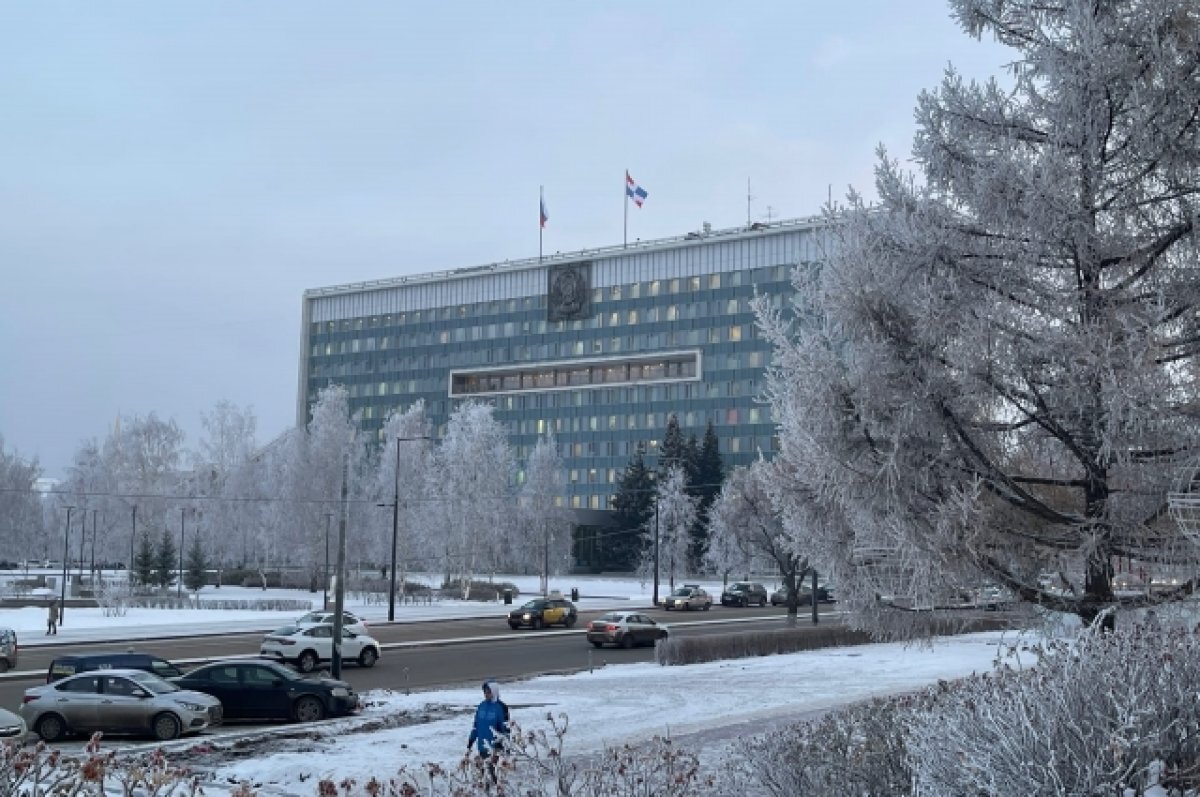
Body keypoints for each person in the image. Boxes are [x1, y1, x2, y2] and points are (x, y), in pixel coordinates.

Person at [467, 680, 510, 784]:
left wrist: (504, 746)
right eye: (485, 692)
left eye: (488, 692)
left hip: (494, 748)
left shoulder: (501, 707)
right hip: (482, 747)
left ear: (494, 692)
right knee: (484, 777)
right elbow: (476, 726)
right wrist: (470, 742)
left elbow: (505, 729)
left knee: (495, 776)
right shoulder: (481, 706)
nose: (486, 694)